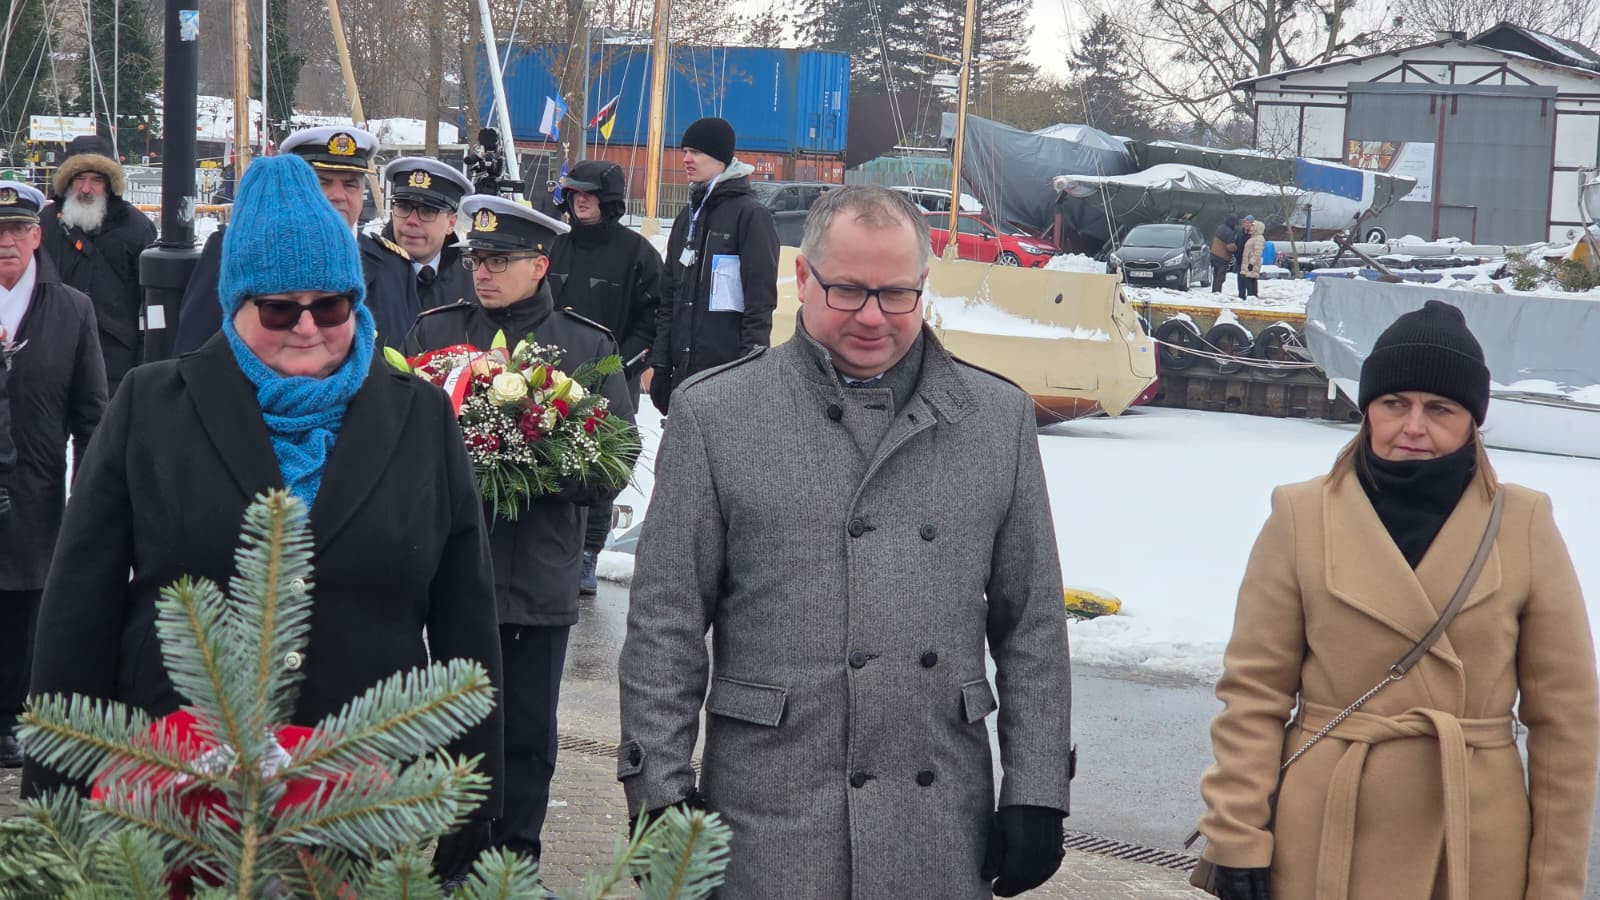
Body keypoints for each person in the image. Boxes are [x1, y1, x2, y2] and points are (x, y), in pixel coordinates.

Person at [21, 157, 505, 883]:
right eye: (280, 309)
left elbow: (468, 620)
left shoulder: (419, 419)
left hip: (366, 811)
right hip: (175, 801)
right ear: (236, 305)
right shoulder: (152, 408)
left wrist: (475, 803)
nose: (307, 327)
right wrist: (56, 801)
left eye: (332, 306)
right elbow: (77, 610)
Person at [618, 185, 1073, 898]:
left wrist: (1037, 786)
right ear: (802, 279)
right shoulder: (717, 415)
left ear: (925, 285)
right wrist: (659, 792)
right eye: (847, 291)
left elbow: (1032, 624)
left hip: (936, 818)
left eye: (896, 295)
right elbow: (665, 624)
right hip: (770, 814)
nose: (871, 317)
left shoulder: (997, 420)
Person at [1193, 300, 1598, 900]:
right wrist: (1236, 834)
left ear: (1472, 422)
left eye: (1440, 408)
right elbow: (1253, 694)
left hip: (1472, 845)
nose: (1414, 426)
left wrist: (1552, 883)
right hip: (1324, 835)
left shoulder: (1524, 524)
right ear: (1368, 411)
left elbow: (1566, 724)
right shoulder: (1302, 515)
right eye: (1394, 404)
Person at [406, 195, 634, 867]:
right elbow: (397, 437)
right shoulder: (433, 337)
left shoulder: (587, 346)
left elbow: (610, 467)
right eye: (477, 259)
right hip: (448, 574)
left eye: (499, 260)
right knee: (453, 723)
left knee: (528, 732)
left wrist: (523, 458)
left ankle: (515, 864)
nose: (483, 272)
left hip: (537, 572)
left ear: (540, 264)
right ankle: (453, 864)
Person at [0, 182, 107, 769]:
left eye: (17, 230)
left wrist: (87, 491)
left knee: (25, 613)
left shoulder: (71, 310)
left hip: (38, 494)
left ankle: (12, 718)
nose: (6, 243)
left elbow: (92, 414)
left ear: (37, 237)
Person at [174, 126, 421, 353]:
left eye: (350, 185)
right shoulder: (235, 250)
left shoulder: (394, 266)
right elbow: (194, 355)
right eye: (322, 183)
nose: (338, 196)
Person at [548, 159, 661, 594]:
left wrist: (620, 367)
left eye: (590, 193)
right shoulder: (554, 247)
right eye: (575, 193)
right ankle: (552, 549)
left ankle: (588, 554)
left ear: (609, 200)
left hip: (609, 384)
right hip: (548, 383)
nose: (581, 200)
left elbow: (653, 320)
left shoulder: (638, 254)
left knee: (597, 471)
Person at [649, 116, 778, 414]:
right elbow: (669, 299)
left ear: (720, 158)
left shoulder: (750, 216)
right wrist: (661, 365)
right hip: (684, 374)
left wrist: (751, 371)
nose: (686, 159)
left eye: (696, 152)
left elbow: (760, 303)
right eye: (684, 151)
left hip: (726, 373)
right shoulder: (687, 219)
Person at [38, 134, 158, 395]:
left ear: (110, 184)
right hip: (52, 354)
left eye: (96, 179)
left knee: (104, 433)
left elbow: (150, 302)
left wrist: (144, 361)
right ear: (67, 182)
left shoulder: (137, 228)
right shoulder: (45, 224)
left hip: (114, 360)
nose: (86, 189)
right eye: (79, 178)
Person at [383, 156, 475, 311]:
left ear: (451, 223)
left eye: (427, 211)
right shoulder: (366, 272)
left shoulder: (473, 280)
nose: (412, 220)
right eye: (404, 207)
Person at [1210, 213, 1239, 294]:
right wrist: (1237, 249)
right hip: (1222, 257)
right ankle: (1217, 292)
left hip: (1213, 255)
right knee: (1221, 277)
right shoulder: (1229, 232)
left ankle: (1214, 291)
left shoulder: (1220, 227)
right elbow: (1230, 246)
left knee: (1215, 275)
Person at [1237, 220, 1264, 300]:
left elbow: (1257, 252)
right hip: (1247, 263)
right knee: (1249, 279)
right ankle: (1251, 297)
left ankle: (1252, 296)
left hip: (1252, 264)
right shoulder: (1253, 237)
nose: (1251, 228)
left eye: (1253, 226)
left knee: (1251, 279)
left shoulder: (1259, 238)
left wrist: (1251, 263)